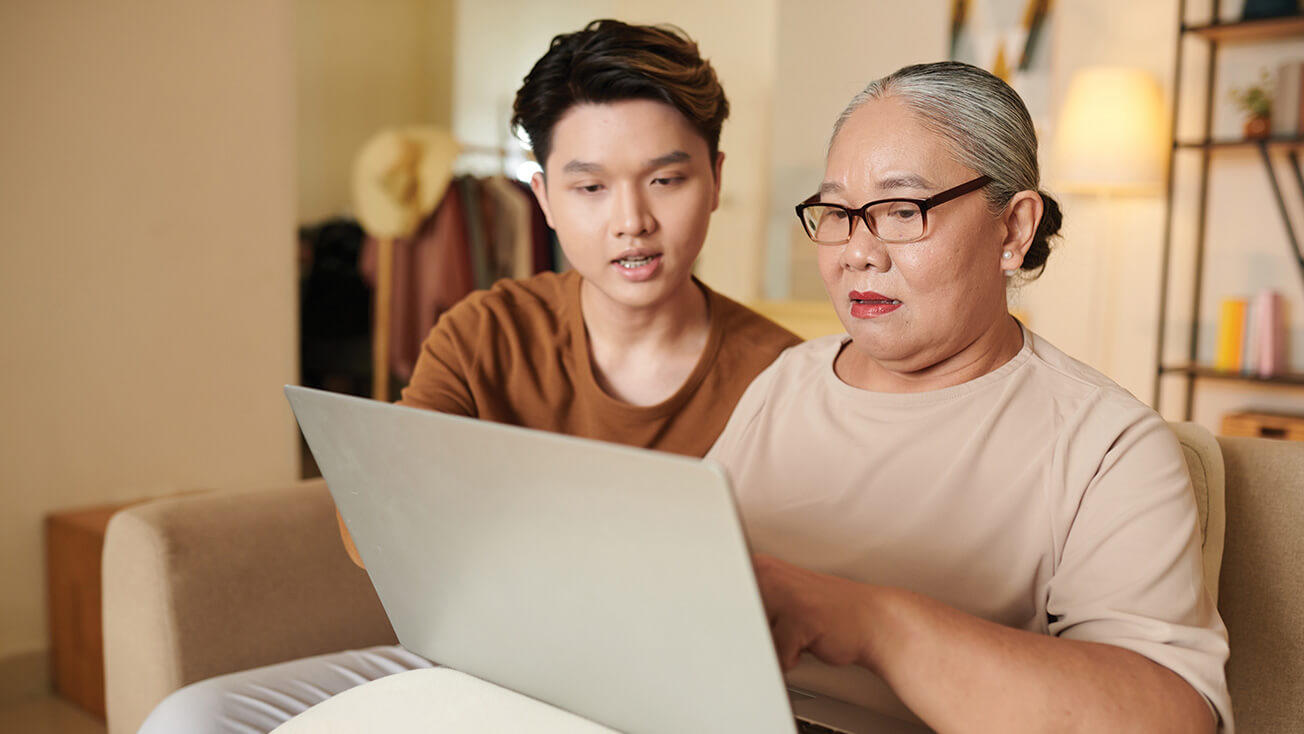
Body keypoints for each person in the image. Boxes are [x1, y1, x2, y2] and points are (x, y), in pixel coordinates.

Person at [138, 19, 799, 734]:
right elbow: (376, 528)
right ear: (544, 199)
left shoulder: (787, 377)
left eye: (665, 180)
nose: (630, 221)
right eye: (591, 188)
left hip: (666, 695)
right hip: (481, 659)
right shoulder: (486, 330)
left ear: (715, 180)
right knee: (194, 716)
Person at [708, 61, 1232, 732]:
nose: (857, 253)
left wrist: (875, 624)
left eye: (902, 210)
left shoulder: (1107, 445)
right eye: (837, 212)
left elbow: (1170, 718)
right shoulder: (787, 379)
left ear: (1013, 230)